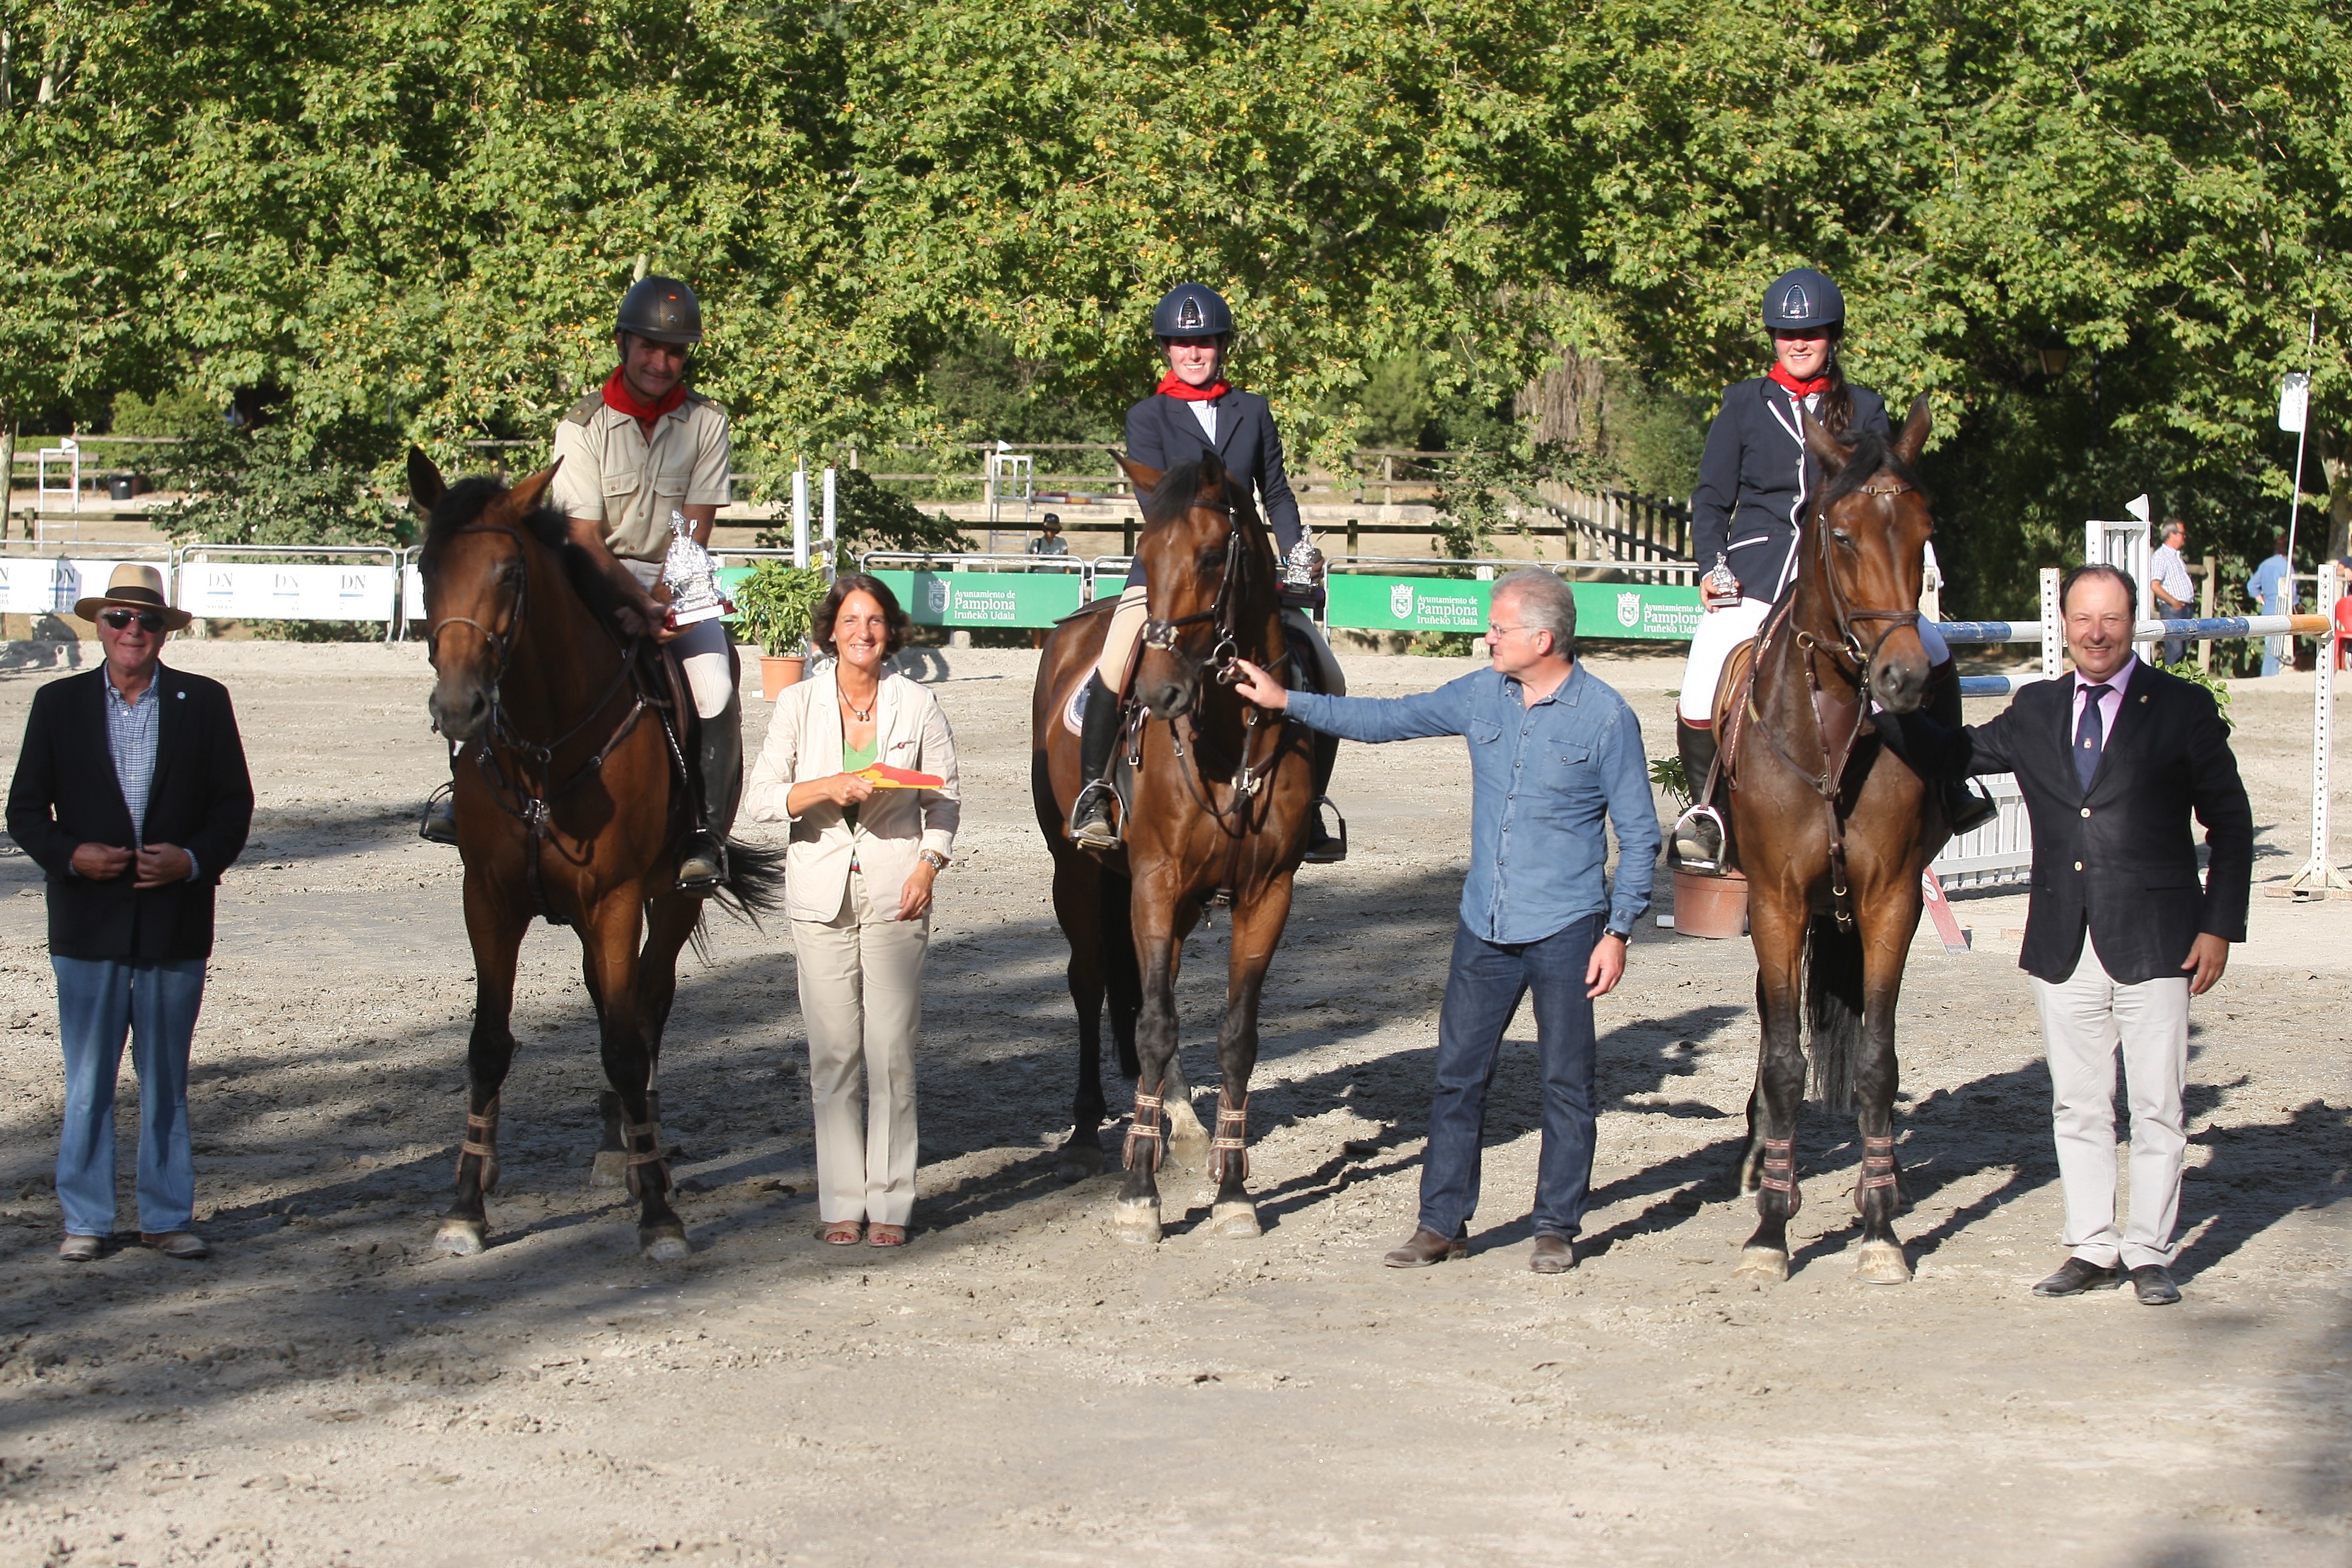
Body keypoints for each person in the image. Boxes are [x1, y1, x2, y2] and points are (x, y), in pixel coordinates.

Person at [1230, 570, 1658, 1275]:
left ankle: (1556, 1226)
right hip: (1482, 927)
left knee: (1566, 1083)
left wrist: (1619, 932)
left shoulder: (1608, 718)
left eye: (1499, 628)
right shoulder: (1479, 692)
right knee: (1457, 1077)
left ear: (1542, 639)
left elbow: (1639, 836)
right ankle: (1442, 1223)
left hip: (1567, 929)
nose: (1486, 636)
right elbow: (1385, 719)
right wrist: (1286, 701)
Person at [1887, 565, 2252, 1305]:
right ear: (2066, 624)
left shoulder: (2180, 709)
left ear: (2134, 621)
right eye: (2083, 619)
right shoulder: (2038, 708)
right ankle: (2091, 1245)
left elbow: (2233, 823)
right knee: (2079, 1106)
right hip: (2063, 938)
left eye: (2111, 619)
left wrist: (2220, 927)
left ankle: (2149, 1250)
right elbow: (1957, 755)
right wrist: (1886, 709)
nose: (2096, 633)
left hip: (2159, 939)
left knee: (2157, 1106)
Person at [423, 275, 741, 890]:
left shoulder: (707, 423)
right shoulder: (582, 425)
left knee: (717, 687)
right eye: (649, 346)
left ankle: (705, 831)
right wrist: (629, 602)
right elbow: (587, 539)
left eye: (674, 352)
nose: (660, 361)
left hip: (676, 583)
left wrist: (659, 607)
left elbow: (694, 535)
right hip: (591, 577)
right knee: (508, 651)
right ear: (624, 344)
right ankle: (467, 792)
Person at [1670, 267, 1991, 868]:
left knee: (1937, 649)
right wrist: (1713, 567)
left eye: (1811, 334)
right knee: (1705, 666)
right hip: (1758, 576)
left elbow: (1883, 493)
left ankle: (1951, 787)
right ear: (1772, 338)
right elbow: (1712, 498)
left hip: (1846, 581)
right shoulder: (1743, 403)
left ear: (1831, 337)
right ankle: (1706, 813)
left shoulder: (1864, 407)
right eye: (1787, 334)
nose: (1798, 344)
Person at [6, 565, 253, 1263]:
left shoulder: (205, 702)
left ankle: (166, 1214)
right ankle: (85, 1219)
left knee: (167, 1078)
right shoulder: (57, 706)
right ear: (98, 625)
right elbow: (23, 809)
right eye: (118, 619)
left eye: (145, 621)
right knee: (87, 1081)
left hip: (176, 921)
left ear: (164, 631)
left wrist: (194, 859)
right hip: (86, 924)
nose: (131, 632)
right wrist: (69, 854)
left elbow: (233, 806)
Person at [1069, 283, 1346, 861]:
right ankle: (1094, 792)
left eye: (1204, 343)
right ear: (1167, 349)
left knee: (1325, 670)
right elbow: (1158, 507)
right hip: (1171, 574)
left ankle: (1311, 803)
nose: (1193, 354)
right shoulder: (1148, 417)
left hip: (1243, 575)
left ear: (1222, 347)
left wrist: (1297, 550)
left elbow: (1275, 491)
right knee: (1117, 661)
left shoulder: (1254, 409)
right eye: (1181, 344)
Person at [745, 574, 960, 1248]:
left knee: (890, 1051)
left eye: (873, 621)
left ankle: (892, 1204)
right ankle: (842, 1200)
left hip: (899, 894)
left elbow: (945, 799)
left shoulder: (918, 703)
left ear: (890, 632)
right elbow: (759, 800)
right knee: (834, 1054)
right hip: (819, 895)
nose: (862, 632)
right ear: (828, 633)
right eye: (849, 621)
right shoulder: (798, 704)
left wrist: (930, 863)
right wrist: (822, 788)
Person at [2247, 533, 2294, 677]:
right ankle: (2270, 679)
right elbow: (2293, 592)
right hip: (2283, 610)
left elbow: (2252, 585)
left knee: (2270, 649)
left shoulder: (2266, 564)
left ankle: (2266, 677)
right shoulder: (2287, 567)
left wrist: (2260, 598)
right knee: (2278, 650)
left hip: (2268, 610)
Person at [2148, 518, 2194, 667]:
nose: (2185, 536)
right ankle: (2169, 684)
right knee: (2175, 651)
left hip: (2183, 607)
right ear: (2172, 534)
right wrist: (2174, 603)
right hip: (2173, 609)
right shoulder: (2161, 556)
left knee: (2182, 650)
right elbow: (2155, 585)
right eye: (2182, 533)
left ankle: (2178, 683)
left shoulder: (2176, 556)